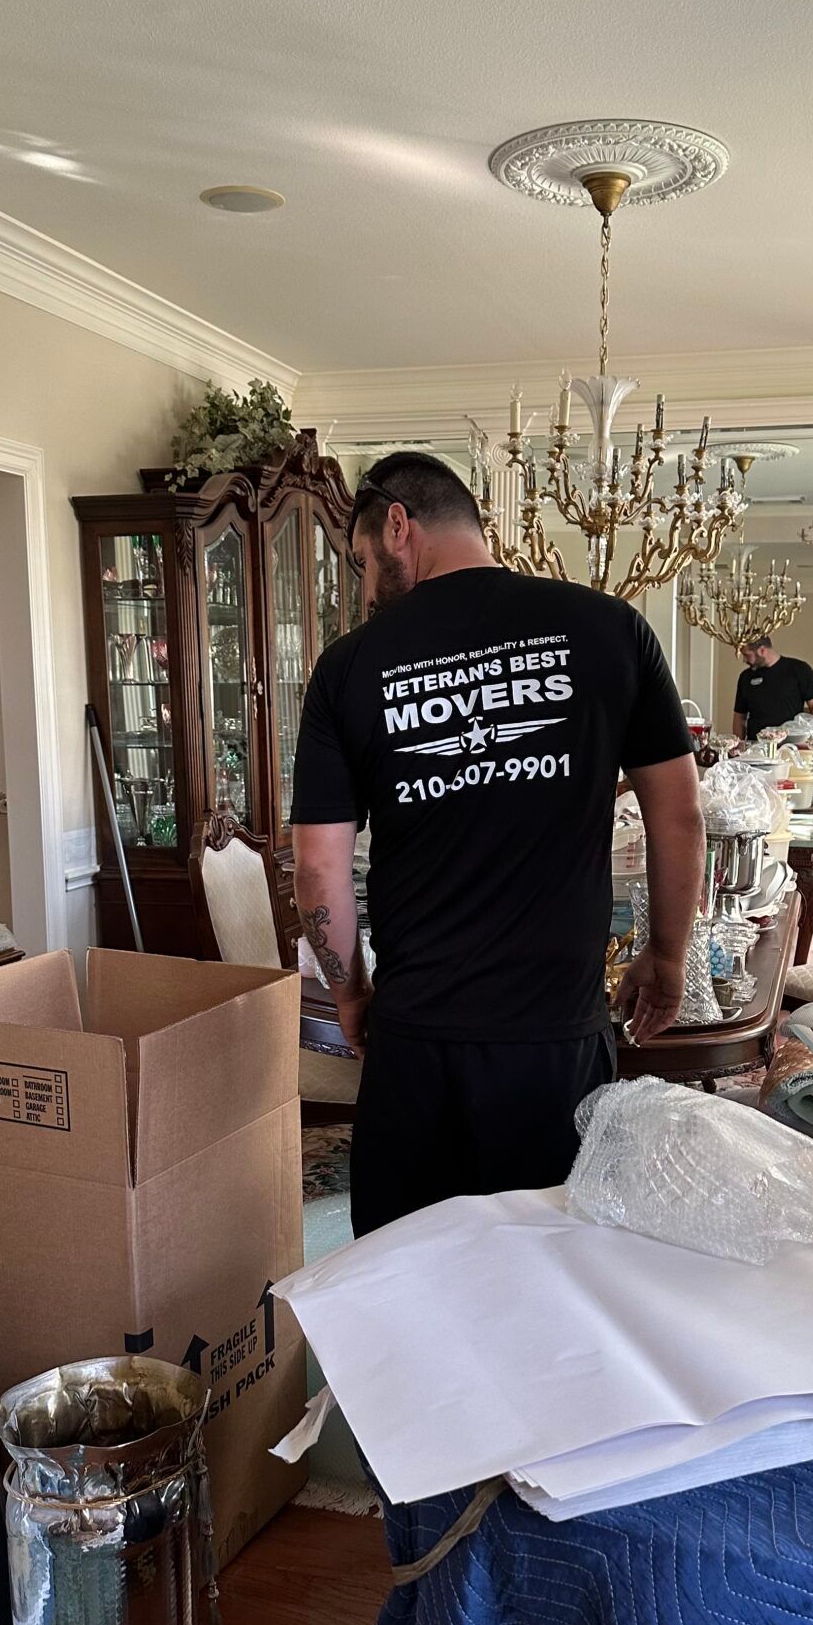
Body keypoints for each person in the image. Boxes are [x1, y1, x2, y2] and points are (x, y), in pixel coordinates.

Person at [291, 451, 705, 1238]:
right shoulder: (611, 629)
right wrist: (668, 956)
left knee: (408, 1279)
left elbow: (318, 866)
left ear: (397, 527)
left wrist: (350, 996)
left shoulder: (347, 669)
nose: (364, 589)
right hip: (556, 1045)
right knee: (558, 1285)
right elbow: (679, 815)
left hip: (417, 1047)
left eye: (360, 564)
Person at [731, 635, 813, 741]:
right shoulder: (746, 677)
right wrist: (738, 745)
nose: (744, 660)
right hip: (756, 746)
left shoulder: (799, 669)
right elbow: (739, 716)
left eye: (747, 655)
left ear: (762, 650)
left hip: (791, 745)